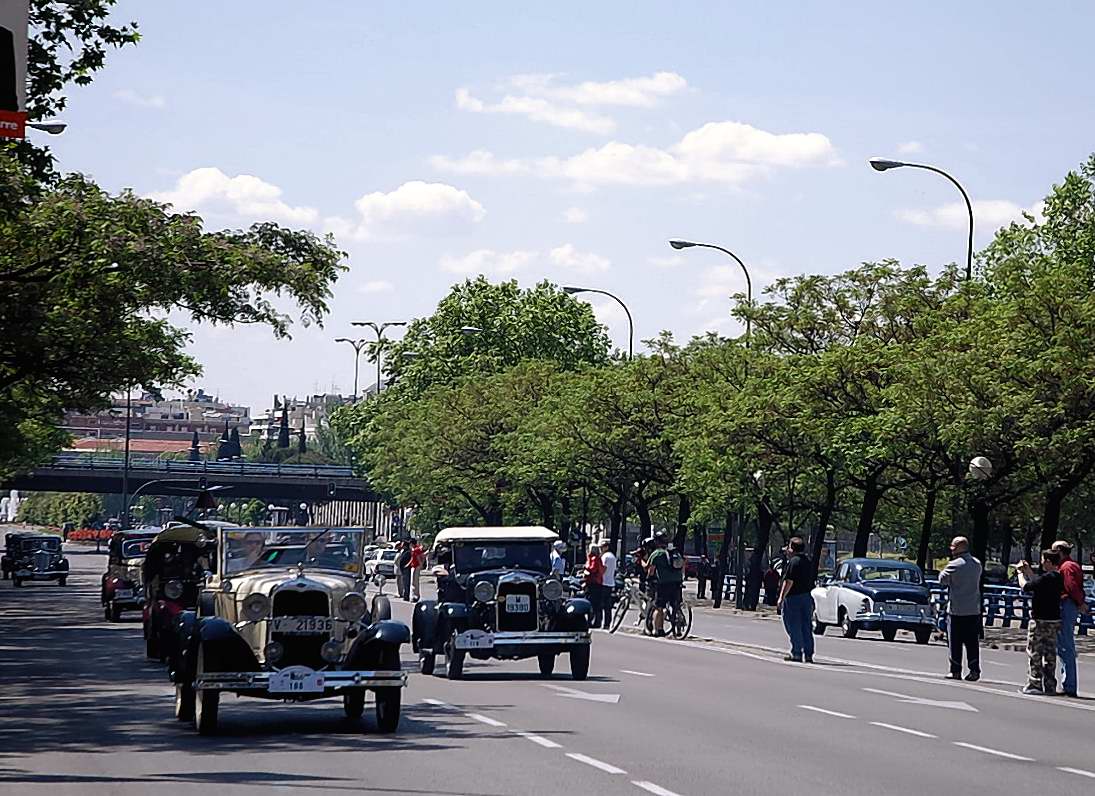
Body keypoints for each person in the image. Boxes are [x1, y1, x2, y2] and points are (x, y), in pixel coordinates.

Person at [1017, 550, 1064, 695]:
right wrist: (1029, 571)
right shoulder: (1057, 577)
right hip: (1054, 620)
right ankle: (1050, 685)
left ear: (1049, 562)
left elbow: (1026, 586)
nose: (1042, 562)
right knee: (1050, 653)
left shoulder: (1047, 578)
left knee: (1035, 652)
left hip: (1040, 620)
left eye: (1043, 560)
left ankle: (1034, 683)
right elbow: (1037, 582)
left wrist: (1020, 574)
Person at [939, 535, 982, 681]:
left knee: (955, 642)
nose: (951, 548)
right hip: (974, 609)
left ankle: (955, 670)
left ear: (959, 548)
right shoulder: (977, 564)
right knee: (972, 642)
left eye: (953, 546)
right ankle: (974, 670)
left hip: (957, 609)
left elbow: (942, 580)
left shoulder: (954, 565)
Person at [1051, 540, 1088, 697]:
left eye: (1053, 551)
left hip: (1066, 605)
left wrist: (1080, 603)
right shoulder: (1072, 565)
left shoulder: (1066, 567)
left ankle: (1069, 685)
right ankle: (1068, 684)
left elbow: (1071, 586)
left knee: (1065, 646)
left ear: (1059, 551)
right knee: (1065, 645)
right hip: (1070, 605)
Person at [777, 537, 816, 663]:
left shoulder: (794, 562)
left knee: (793, 625)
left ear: (792, 549)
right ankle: (808, 653)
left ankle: (797, 652)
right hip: (807, 597)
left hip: (793, 598)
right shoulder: (808, 562)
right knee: (806, 626)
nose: (787, 551)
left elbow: (789, 582)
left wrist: (781, 598)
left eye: (788, 548)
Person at [646, 532, 684, 637]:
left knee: (659, 607)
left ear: (656, 542)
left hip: (664, 583)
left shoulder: (657, 553)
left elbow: (651, 570)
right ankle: (679, 620)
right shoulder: (674, 551)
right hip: (677, 582)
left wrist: (649, 579)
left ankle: (659, 629)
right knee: (675, 604)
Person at [584, 544, 605, 628]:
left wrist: (586, 568)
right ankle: (597, 621)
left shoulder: (594, 558)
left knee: (592, 603)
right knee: (597, 604)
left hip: (593, 583)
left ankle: (592, 621)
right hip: (597, 583)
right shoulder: (598, 558)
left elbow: (592, 569)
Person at [599, 539, 617, 629]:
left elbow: (603, 569)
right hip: (610, 582)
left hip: (603, 582)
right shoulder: (613, 557)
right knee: (608, 606)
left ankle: (601, 622)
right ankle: (607, 623)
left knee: (601, 604)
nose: (601, 549)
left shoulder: (605, 557)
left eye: (602, 547)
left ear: (606, 547)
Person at [408, 537, 426, 602]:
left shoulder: (415, 550)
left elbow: (418, 558)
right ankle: (416, 595)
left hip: (415, 566)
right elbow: (423, 556)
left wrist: (420, 565)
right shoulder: (418, 549)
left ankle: (414, 596)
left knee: (413, 582)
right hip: (415, 566)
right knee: (415, 582)